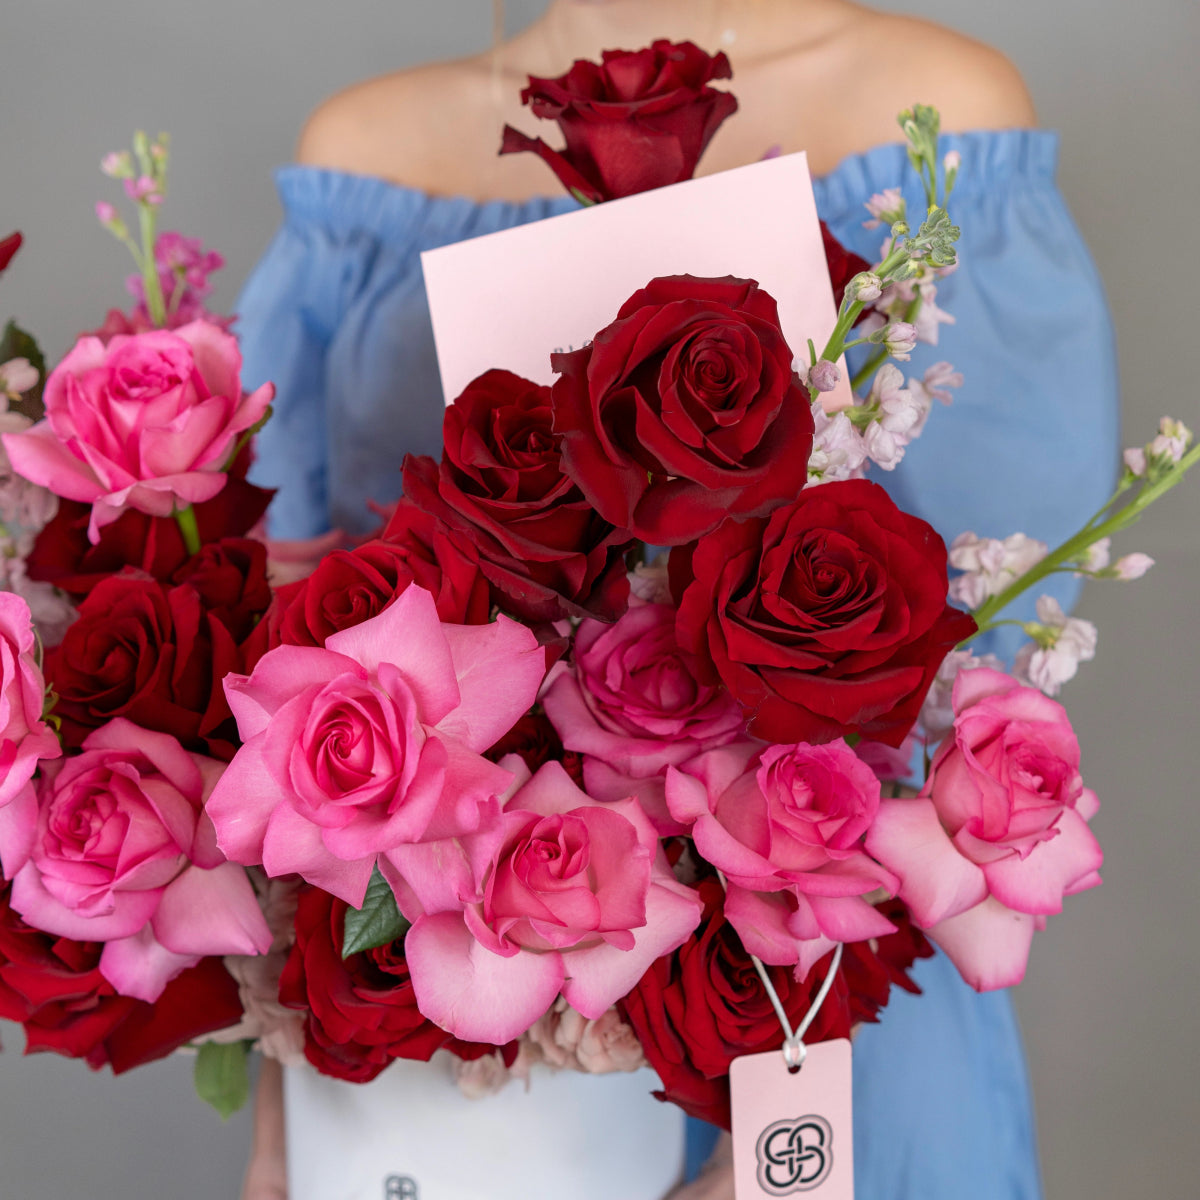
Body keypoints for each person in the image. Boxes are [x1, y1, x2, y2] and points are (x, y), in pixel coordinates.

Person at [235, 1, 1119, 1197]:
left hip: (833, 1033)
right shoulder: (365, 161)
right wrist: (284, 1141)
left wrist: (780, 1158)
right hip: (472, 1089)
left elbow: (993, 705)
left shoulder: (942, 120)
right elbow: (296, 704)